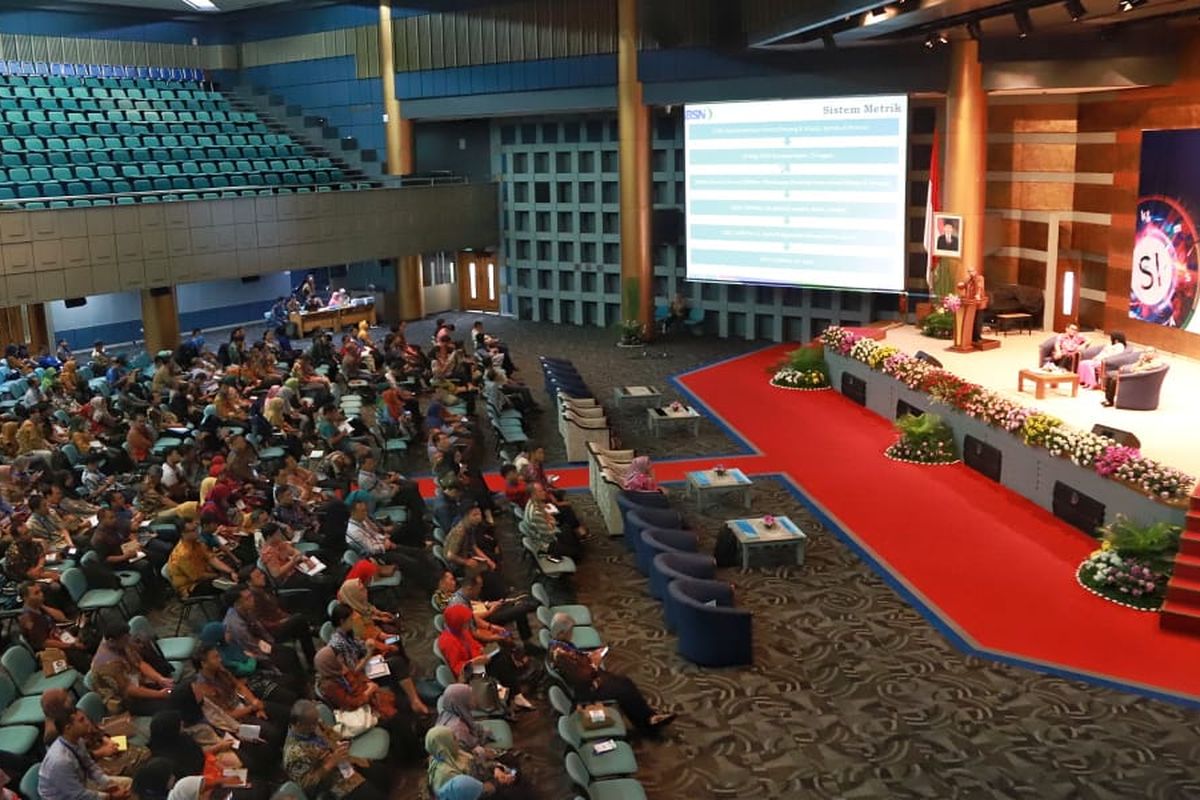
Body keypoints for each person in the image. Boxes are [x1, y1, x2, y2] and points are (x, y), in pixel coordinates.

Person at [547, 613, 675, 733]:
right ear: (561, 632)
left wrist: (590, 657)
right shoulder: (561, 654)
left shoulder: (560, 646)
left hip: (587, 677)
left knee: (625, 682)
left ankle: (649, 716)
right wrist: (593, 663)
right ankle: (647, 724)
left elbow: (576, 663)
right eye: (570, 632)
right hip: (586, 689)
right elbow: (582, 678)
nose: (572, 634)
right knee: (623, 690)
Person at [283, 699, 388, 800]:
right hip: (333, 783)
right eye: (312, 724)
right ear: (298, 724)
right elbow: (306, 785)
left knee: (382, 775)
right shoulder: (293, 754)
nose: (316, 725)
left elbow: (331, 734)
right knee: (373, 795)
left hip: (346, 761)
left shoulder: (314, 723)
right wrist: (331, 763)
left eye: (316, 722)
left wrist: (340, 742)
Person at [39, 709, 133, 800]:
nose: (87, 722)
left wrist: (110, 785)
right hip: (66, 797)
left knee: (128, 784)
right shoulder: (60, 761)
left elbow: (90, 766)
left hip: (81, 784)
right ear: (68, 728)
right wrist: (110, 797)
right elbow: (78, 795)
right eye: (81, 720)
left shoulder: (78, 741)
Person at [91, 619, 175, 717]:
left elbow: (139, 663)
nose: (129, 640)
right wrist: (159, 694)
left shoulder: (122, 642)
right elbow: (128, 690)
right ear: (112, 641)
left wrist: (160, 679)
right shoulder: (107, 664)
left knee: (174, 692)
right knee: (168, 706)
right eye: (125, 639)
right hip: (125, 700)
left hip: (138, 682)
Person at [425, 726, 526, 800]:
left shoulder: (452, 753)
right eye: (453, 738)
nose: (457, 740)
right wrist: (499, 783)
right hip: (483, 791)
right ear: (444, 744)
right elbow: (476, 792)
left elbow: (478, 763)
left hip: (487, 780)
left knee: (510, 760)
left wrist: (496, 769)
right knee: (517, 792)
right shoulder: (447, 776)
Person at [19, 581, 91, 672]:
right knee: (79, 654)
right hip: (52, 650)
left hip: (59, 634)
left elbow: (62, 618)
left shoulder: (37, 606)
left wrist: (43, 606)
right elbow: (45, 643)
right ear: (25, 598)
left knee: (88, 631)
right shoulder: (29, 619)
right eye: (36, 593)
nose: (41, 595)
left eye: (40, 591)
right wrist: (71, 645)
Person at [955, 266, 987, 344]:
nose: (970, 273)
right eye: (969, 271)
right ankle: (970, 337)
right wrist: (959, 285)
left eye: (972, 271)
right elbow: (961, 287)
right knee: (970, 321)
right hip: (970, 304)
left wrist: (978, 295)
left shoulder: (980, 278)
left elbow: (979, 287)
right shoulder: (967, 279)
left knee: (978, 321)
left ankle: (977, 337)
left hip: (978, 303)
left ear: (975, 271)